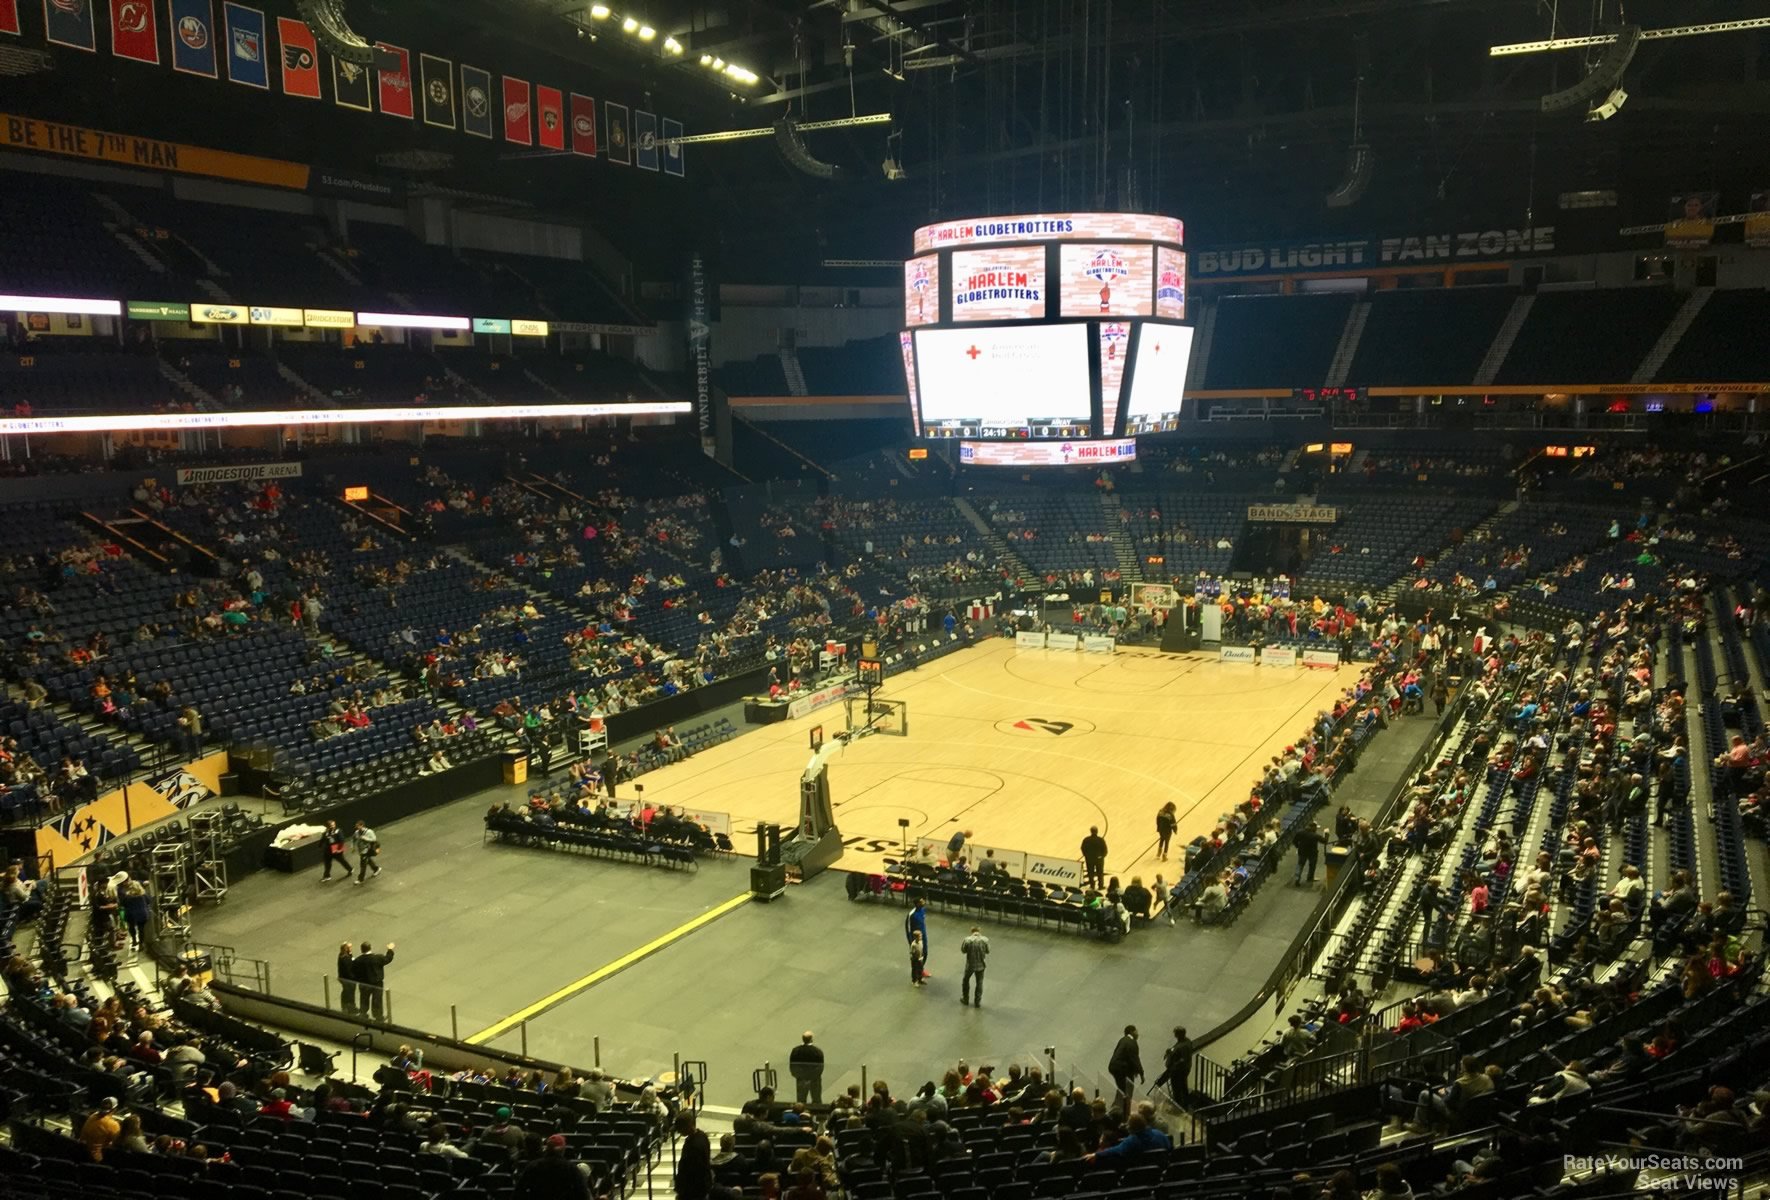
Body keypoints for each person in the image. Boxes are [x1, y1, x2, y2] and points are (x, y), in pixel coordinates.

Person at [516, 1133, 589, 1199]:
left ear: (546, 1148)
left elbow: (519, 1192)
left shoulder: (533, 1166)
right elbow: (582, 1194)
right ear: (563, 1150)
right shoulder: (571, 1168)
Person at [674, 1111, 712, 1200]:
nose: (679, 1131)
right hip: (699, 1187)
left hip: (693, 1190)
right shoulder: (702, 1136)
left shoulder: (694, 1146)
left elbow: (692, 1172)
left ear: (688, 1125)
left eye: (680, 1127)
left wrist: (681, 1191)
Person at [1152, 1026, 1193, 1105]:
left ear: (1179, 1034)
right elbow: (1176, 1050)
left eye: (1176, 1033)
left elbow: (1183, 1059)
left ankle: (1179, 1104)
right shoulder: (1185, 1041)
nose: (1174, 1035)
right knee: (1183, 1086)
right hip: (1179, 1069)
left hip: (1179, 1071)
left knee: (1177, 1087)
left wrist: (1174, 1066)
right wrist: (1170, 1050)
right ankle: (1184, 1102)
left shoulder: (1183, 1046)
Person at [355, 941, 395, 1020]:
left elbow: (354, 971)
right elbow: (388, 959)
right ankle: (378, 1016)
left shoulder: (358, 960)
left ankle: (363, 1013)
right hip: (377, 983)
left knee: (364, 998)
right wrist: (390, 950)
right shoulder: (377, 958)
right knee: (377, 999)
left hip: (364, 983)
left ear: (361, 950)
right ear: (370, 948)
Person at [1108, 1025, 1143, 1111]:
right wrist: (1141, 1073)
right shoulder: (1132, 1042)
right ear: (1131, 1032)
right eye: (1136, 1031)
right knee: (1128, 1089)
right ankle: (1124, 1110)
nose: (1138, 1034)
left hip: (1114, 1066)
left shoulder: (1123, 1040)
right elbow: (1134, 1059)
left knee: (1121, 1088)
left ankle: (1117, 1107)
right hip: (1122, 1069)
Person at [79, 1097, 122, 1161]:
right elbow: (118, 1143)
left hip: (81, 1152)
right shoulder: (113, 1124)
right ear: (115, 1109)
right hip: (97, 1158)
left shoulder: (92, 1116)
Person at [789, 1032, 825, 1105]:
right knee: (816, 1100)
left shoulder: (796, 1051)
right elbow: (820, 1068)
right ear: (811, 1039)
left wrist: (799, 1077)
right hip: (815, 1080)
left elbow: (793, 1066)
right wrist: (812, 1077)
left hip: (801, 1080)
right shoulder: (817, 1051)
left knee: (801, 1100)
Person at [959, 925, 989, 1008]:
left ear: (972, 931)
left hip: (970, 965)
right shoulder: (985, 940)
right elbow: (988, 951)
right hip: (981, 965)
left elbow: (963, 950)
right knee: (979, 983)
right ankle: (977, 1002)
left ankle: (965, 999)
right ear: (979, 931)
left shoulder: (967, 940)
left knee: (965, 980)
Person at [1293, 819, 1323, 886]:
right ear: (1313, 827)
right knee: (1312, 866)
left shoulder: (1300, 832)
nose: (1316, 829)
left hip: (1302, 851)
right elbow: (1325, 841)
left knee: (1300, 865)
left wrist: (1298, 847)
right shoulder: (1315, 835)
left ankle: (1297, 878)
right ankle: (1310, 878)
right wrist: (1327, 834)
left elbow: (1294, 841)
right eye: (1316, 828)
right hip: (1312, 853)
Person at [904, 899, 929, 978]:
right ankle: (915, 976)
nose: (924, 902)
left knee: (925, 953)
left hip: (923, 937)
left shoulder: (922, 910)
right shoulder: (911, 914)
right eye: (921, 901)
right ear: (917, 904)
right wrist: (911, 941)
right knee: (916, 959)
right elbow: (907, 928)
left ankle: (920, 971)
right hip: (915, 939)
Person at [336, 942, 358, 1014]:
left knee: (346, 992)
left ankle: (346, 1006)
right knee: (350, 993)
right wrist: (354, 977)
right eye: (349, 947)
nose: (351, 948)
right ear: (346, 949)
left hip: (344, 978)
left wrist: (350, 953)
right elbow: (348, 970)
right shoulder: (345, 958)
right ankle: (350, 1008)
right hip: (348, 979)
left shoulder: (343, 955)